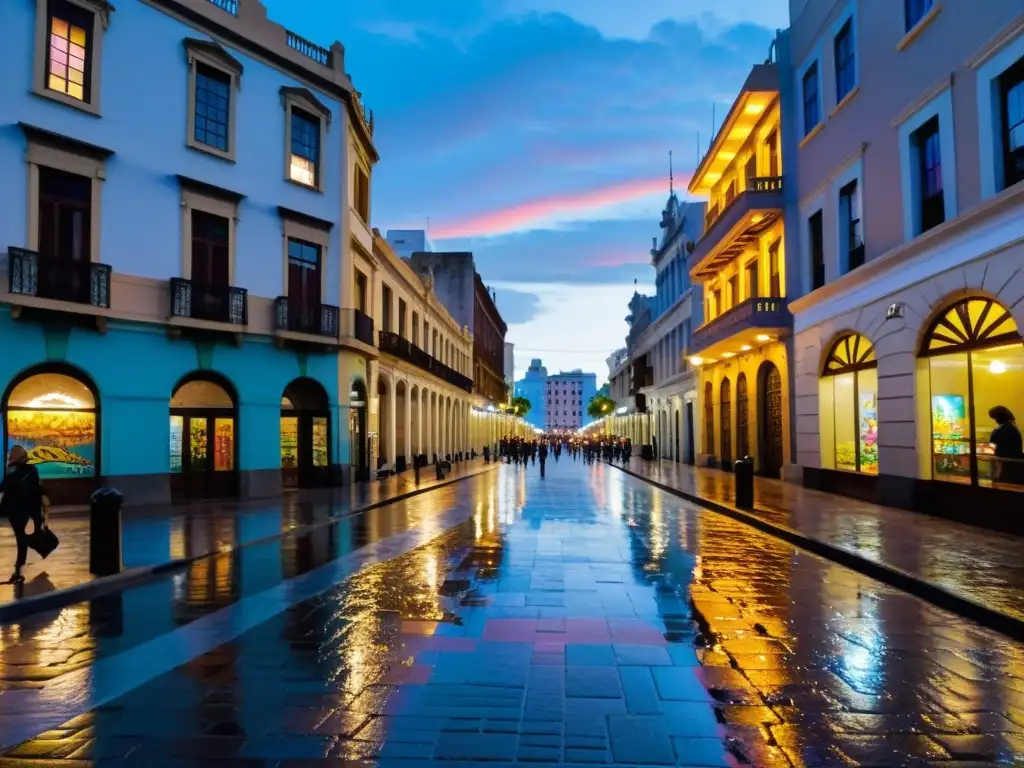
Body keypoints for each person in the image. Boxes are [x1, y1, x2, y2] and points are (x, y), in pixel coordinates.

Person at [0, 446, 45, 584]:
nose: (9, 457)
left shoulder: (13, 471)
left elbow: (4, 487)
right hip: (27, 511)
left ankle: (18, 573)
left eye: (12, 455)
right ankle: (19, 571)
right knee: (23, 540)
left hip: (18, 511)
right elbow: (37, 490)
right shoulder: (32, 470)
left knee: (22, 540)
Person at [988, 406, 1024, 486]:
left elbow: (991, 448)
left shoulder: (999, 431)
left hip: (1004, 466)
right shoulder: (1013, 428)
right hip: (1014, 465)